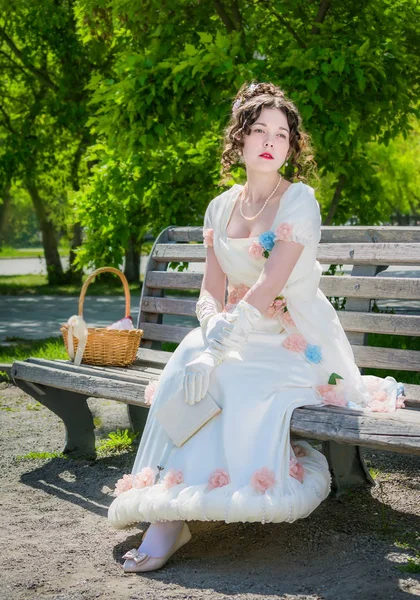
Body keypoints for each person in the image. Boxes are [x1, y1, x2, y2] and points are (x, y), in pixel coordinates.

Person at [108, 81, 405, 573]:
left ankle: (180, 513)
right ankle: (170, 505)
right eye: (260, 130)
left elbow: (270, 285)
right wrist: (208, 328)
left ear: (291, 146)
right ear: (240, 139)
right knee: (186, 362)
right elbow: (210, 289)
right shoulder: (220, 207)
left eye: (282, 134)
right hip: (234, 330)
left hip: (294, 336)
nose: (271, 140)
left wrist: (221, 345)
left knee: (230, 376)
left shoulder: (299, 200)